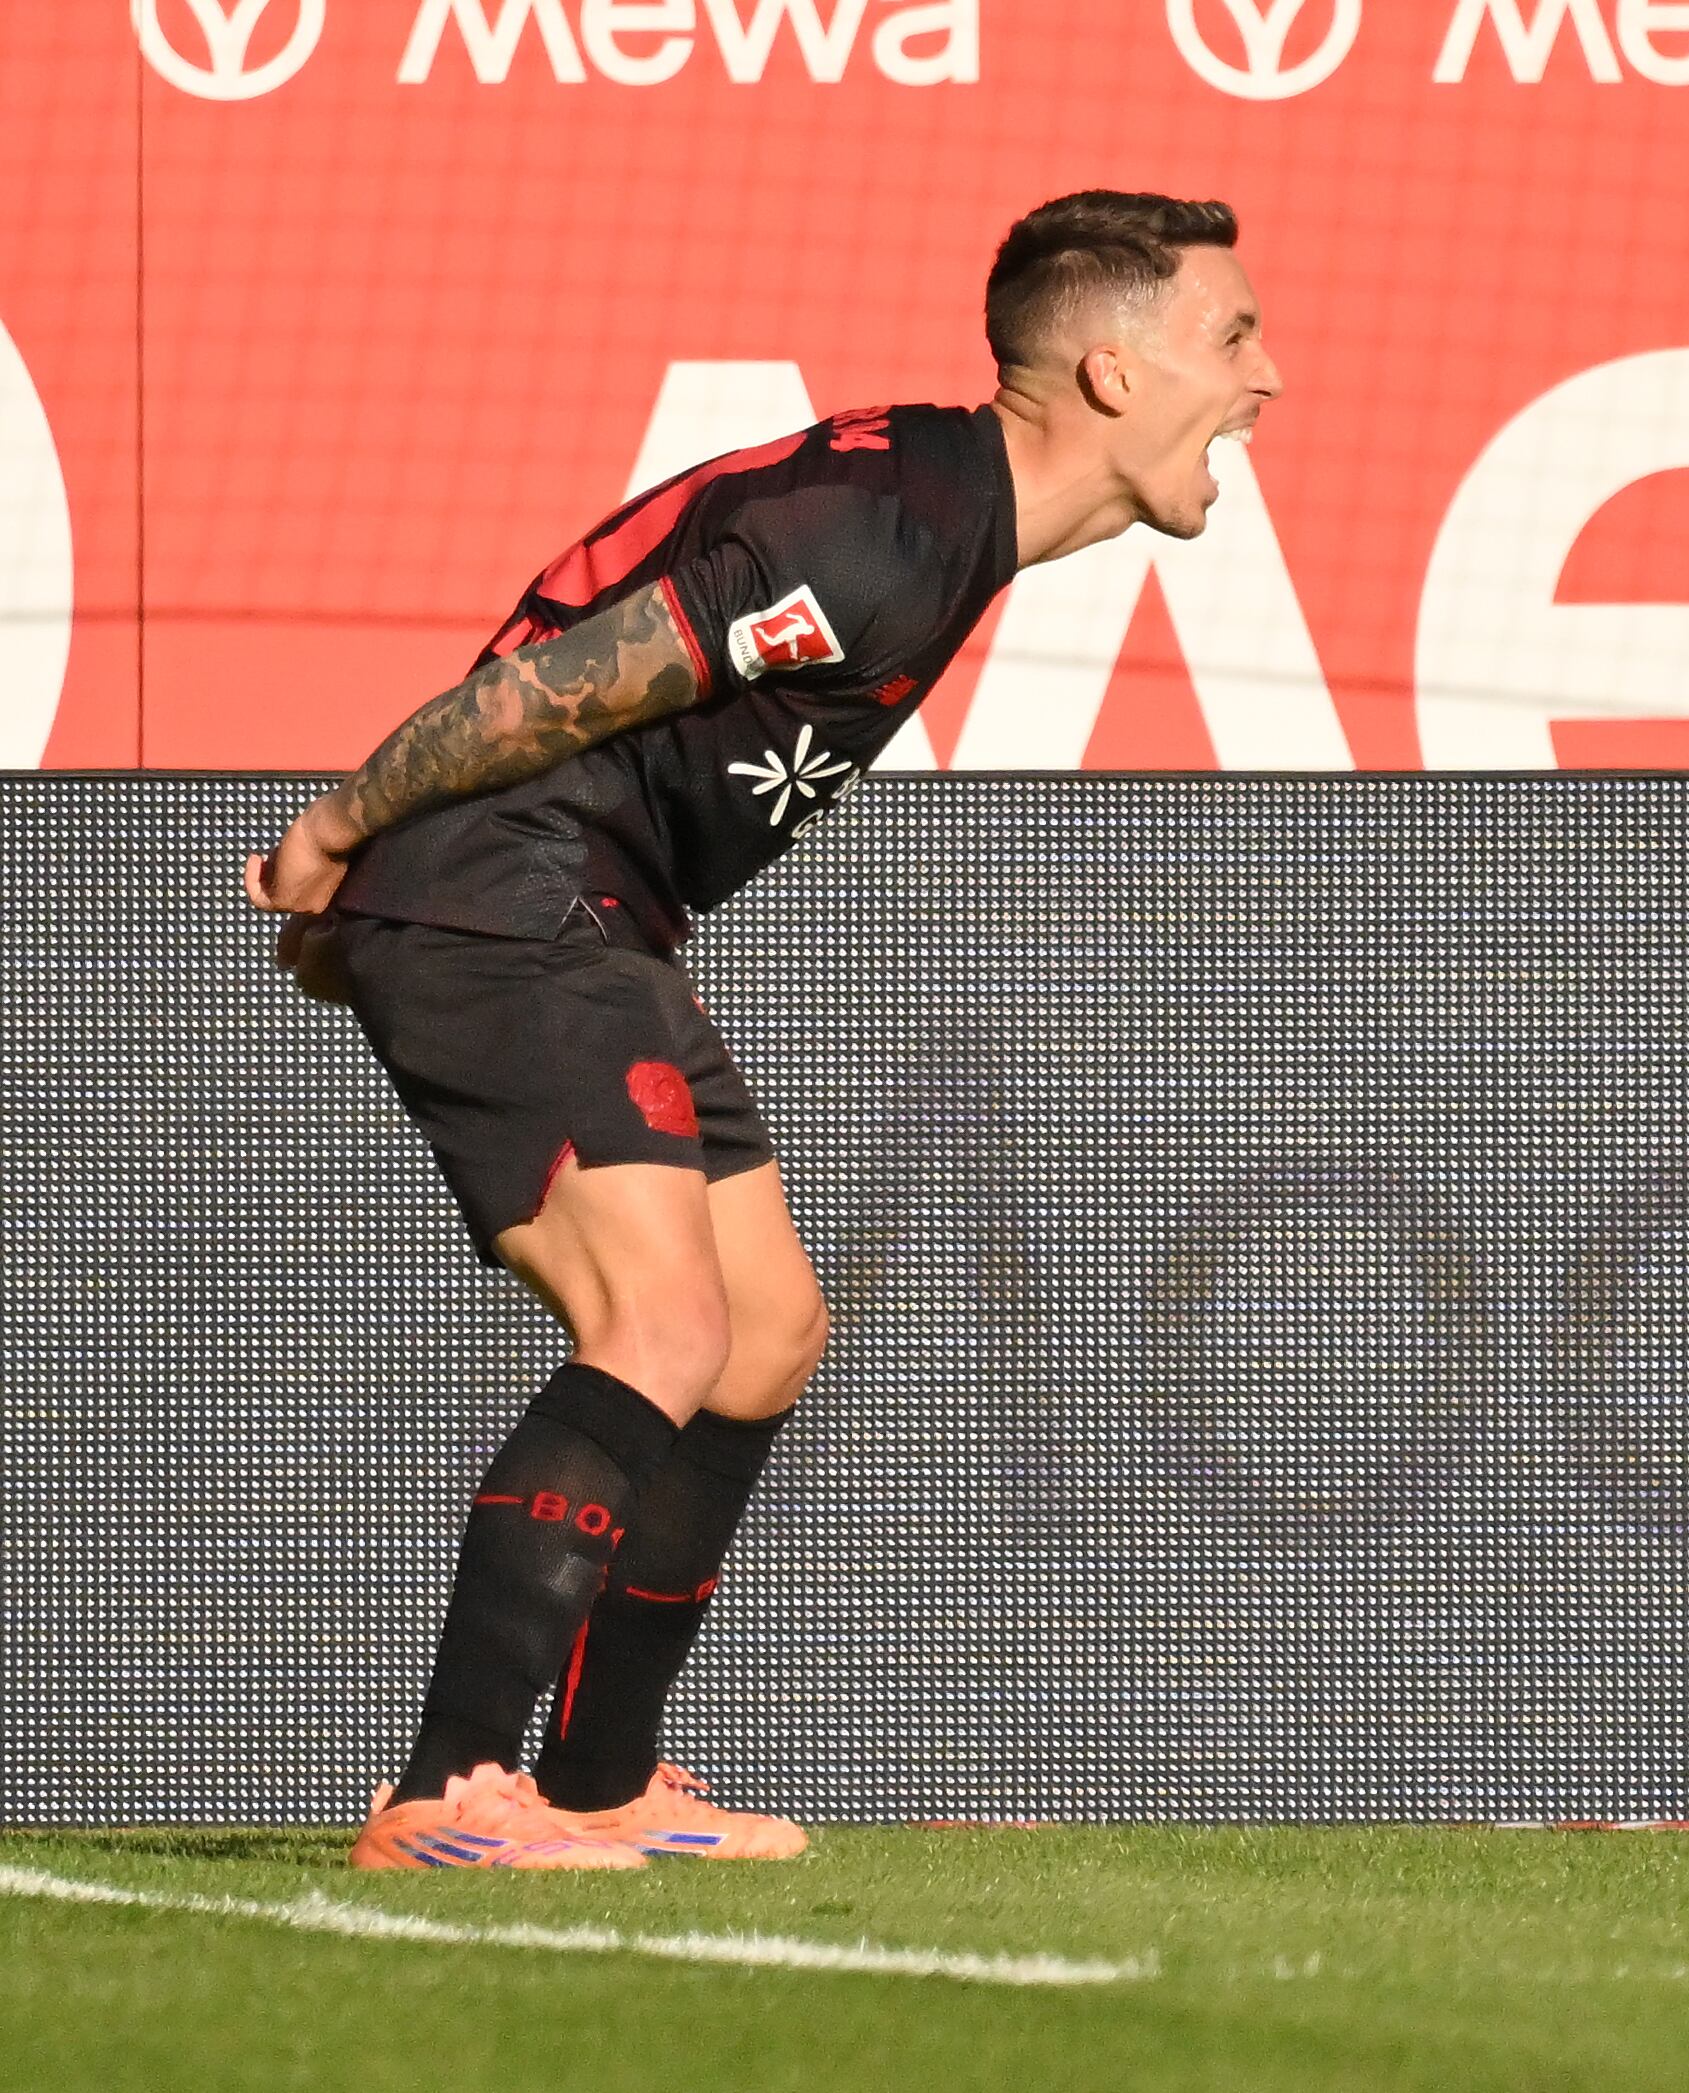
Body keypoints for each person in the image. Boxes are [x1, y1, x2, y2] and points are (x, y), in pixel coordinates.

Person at [243, 192, 1283, 1869]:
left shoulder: (947, 519)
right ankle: (446, 1791)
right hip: (513, 881)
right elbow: (565, 678)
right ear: (1110, 372)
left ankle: (596, 1782)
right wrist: (343, 833)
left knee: (767, 1325)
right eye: (1236, 338)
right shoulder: (884, 534)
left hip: (587, 909)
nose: (1269, 377)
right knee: (655, 1318)